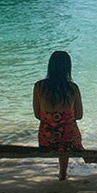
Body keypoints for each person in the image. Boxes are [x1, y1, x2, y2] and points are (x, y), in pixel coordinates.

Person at [33, 50, 83, 180]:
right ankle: (63, 173)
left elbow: (38, 115)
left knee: (57, 130)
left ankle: (62, 173)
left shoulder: (39, 86)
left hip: (46, 139)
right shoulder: (73, 88)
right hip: (69, 140)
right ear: (68, 68)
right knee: (67, 130)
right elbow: (79, 115)